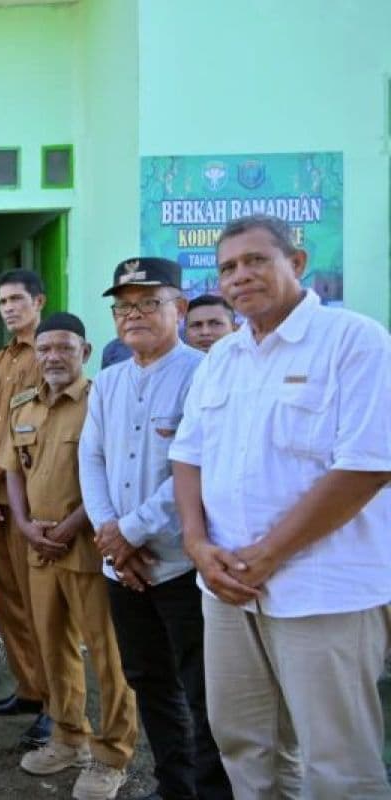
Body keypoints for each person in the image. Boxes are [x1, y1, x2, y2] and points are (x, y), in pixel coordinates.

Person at [171, 214, 391, 798]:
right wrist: (196, 543)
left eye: (255, 261)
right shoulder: (222, 357)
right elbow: (187, 456)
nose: (239, 276)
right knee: (245, 745)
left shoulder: (355, 341)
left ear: (296, 263)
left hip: (323, 589)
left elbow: (368, 466)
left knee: (336, 763)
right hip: (226, 588)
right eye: (228, 267)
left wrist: (269, 554)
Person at [78, 258, 231, 800]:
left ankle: (212, 791)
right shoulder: (109, 381)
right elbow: (90, 459)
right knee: (147, 679)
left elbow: (196, 466)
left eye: (149, 303)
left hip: (182, 563)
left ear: (179, 308)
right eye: (124, 307)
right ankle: (175, 785)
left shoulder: (203, 373)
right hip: (122, 565)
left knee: (202, 687)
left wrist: (131, 533)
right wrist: (111, 536)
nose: (134, 315)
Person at [0, 312, 138, 800]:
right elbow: (13, 471)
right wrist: (23, 525)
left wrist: (70, 526)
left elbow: (112, 475)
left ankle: (112, 755)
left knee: (108, 655)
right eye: (45, 349)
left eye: (64, 347)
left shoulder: (102, 402)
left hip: (89, 548)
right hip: (39, 548)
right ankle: (68, 737)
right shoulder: (23, 404)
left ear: (85, 351)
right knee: (52, 647)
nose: (53, 357)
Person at [0, 270, 52, 747]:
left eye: (17, 299)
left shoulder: (48, 354)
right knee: (7, 602)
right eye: (2, 301)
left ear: (39, 301)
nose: (9, 308)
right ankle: (29, 688)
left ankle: (57, 705)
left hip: (27, 500)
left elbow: (31, 433)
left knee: (41, 605)